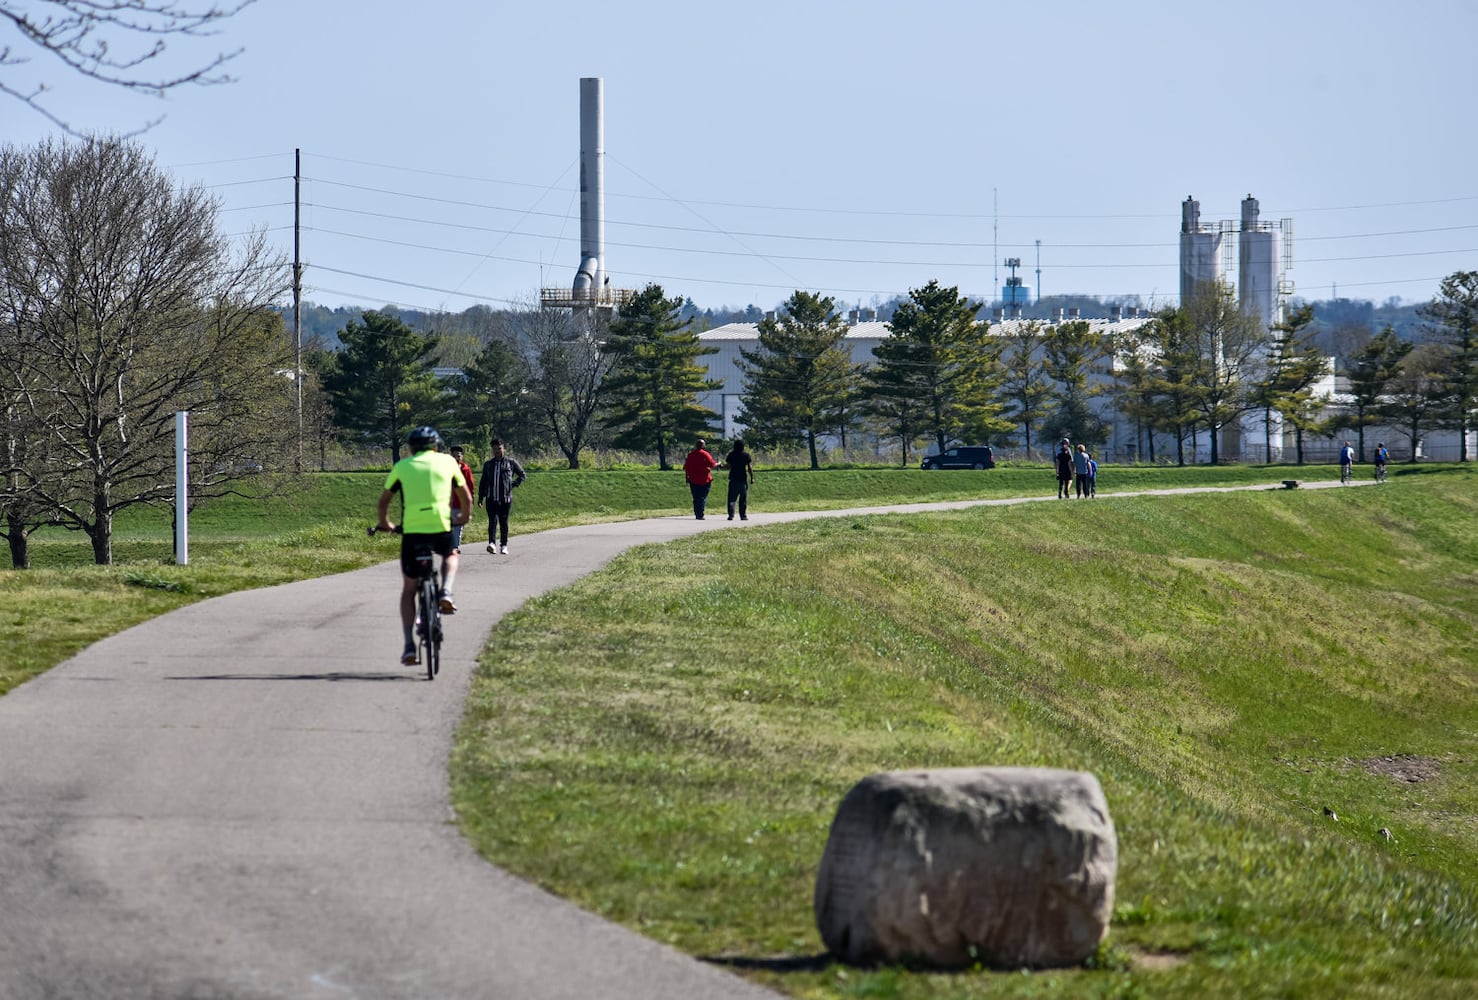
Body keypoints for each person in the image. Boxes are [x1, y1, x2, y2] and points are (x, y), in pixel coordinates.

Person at [376, 426, 472, 665]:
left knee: (409, 589)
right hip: (440, 525)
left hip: (412, 531)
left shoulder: (402, 466)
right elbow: (465, 496)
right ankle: (446, 591)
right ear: (436, 445)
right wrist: (463, 518)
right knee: (451, 553)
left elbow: (384, 501)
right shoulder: (448, 462)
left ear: (411, 448)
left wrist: (386, 524)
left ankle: (409, 645)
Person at [478, 438, 526, 555]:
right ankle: (492, 543)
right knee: (492, 521)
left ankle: (504, 545)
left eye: (499, 448)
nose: (497, 451)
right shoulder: (488, 465)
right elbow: (483, 481)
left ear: (503, 448)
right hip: (491, 498)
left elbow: (522, 475)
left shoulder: (511, 463)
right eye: (494, 449)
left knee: (504, 522)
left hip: (505, 498)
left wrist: (513, 484)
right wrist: (480, 497)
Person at [448, 445, 475, 553]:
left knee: (458, 527)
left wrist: (470, 501)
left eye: (458, 456)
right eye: (454, 456)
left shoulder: (465, 470)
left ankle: (455, 546)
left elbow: (470, 486)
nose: (456, 458)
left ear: (462, 457)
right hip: (448, 503)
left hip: (460, 503)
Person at [683, 437, 719, 520]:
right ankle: (701, 514)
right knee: (702, 497)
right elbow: (712, 464)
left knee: (696, 498)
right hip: (704, 479)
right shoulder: (705, 454)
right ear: (703, 446)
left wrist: (687, 478)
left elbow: (686, 468)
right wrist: (718, 464)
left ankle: (697, 513)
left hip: (693, 479)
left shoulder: (691, 455)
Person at [724, 439, 755, 520]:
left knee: (731, 498)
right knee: (743, 498)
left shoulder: (731, 455)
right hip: (743, 479)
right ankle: (743, 515)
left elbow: (728, 466)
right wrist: (752, 477)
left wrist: (721, 466)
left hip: (733, 478)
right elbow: (749, 468)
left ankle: (731, 515)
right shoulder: (746, 455)